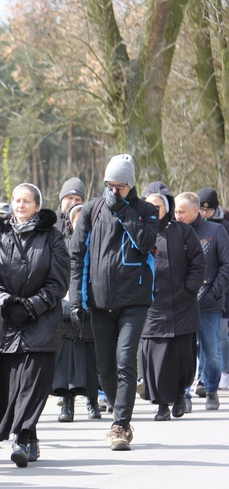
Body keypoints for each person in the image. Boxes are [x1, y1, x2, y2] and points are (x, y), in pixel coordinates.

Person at [69, 154, 158, 451]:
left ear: (129, 185)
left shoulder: (146, 210)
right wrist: (76, 300)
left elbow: (146, 243)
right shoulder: (92, 210)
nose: (112, 190)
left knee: (124, 362)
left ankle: (120, 425)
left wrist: (123, 210)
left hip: (134, 301)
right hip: (99, 302)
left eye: (119, 186)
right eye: (109, 184)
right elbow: (76, 256)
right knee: (105, 369)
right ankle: (119, 411)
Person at [0, 183, 70, 467]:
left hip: (42, 321)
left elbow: (59, 282)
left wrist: (32, 306)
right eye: (16, 200)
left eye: (26, 201)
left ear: (37, 206)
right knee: (17, 386)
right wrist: (5, 303)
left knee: (34, 382)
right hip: (7, 323)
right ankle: (31, 437)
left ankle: (20, 437)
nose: (20, 205)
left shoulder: (52, 236)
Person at [140, 183, 205, 420]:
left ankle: (179, 395)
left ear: (166, 207)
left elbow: (198, 262)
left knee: (183, 357)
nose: (153, 210)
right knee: (157, 360)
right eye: (148, 206)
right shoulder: (138, 232)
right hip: (153, 307)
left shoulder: (182, 231)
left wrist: (189, 289)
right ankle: (161, 405)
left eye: (157, 206)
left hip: (182, 304)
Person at [173, 191, 229, 411]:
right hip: (183, 304)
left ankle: (212, 389)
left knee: (212, 352)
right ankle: (183, 394)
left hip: (210, 304)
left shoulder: (215, 232)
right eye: (175, 211)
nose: (176, 215)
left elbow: (226, 265)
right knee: (185, 352)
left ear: (196, 211)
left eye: (181, 212)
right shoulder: (173, 232)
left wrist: (215, 293)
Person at [51, 178, 100, 421]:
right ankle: (66, 403)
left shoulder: (92, 224)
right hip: (61, 297)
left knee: (91, 351)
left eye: (78, 199)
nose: (72, 203)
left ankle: (93, 401)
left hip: (90, 297)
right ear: (61, 200)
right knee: (65, 354)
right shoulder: (52, 227)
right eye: (69, 198)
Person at [196, 187, 229, 393]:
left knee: (217, 339)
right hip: (194, 295)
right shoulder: (190, 228)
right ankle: (202, 379)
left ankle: (220, 375)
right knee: (199, 343)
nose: (205, 213)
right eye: (202, 209)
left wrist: (216, 291)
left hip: (219, 293)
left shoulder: (223, 228)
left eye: (209, 210)